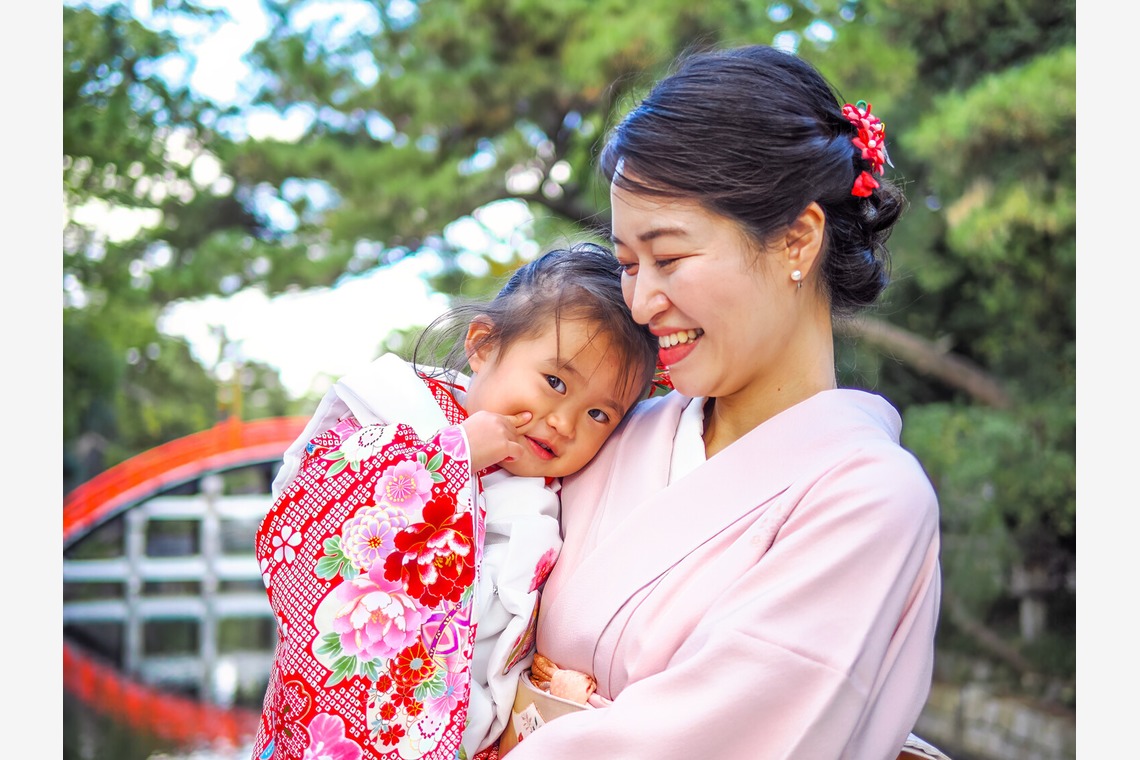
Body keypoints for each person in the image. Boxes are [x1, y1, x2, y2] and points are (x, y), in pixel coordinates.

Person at [501, 45, 946, 759]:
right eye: (625, 264)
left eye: (670, 259)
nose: (641, 303)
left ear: (797, 239)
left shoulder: (871, 499)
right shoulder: (606, 434)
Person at [250, 242, 659, 760]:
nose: (564, 422)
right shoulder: (397, 413)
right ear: (484, 345)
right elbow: (304, 530)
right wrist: (452, 456)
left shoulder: (562, 494)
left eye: (599, 414)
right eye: (554, 382)